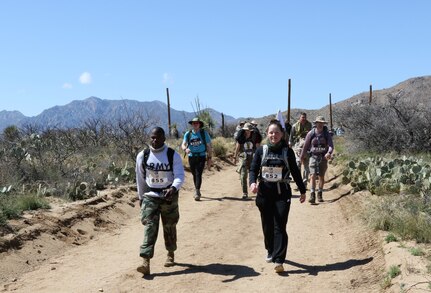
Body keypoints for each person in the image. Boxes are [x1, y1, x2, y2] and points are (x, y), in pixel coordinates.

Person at [249, 120, 306, 274]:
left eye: (277, 132)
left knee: (280, 225)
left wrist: (302, 190)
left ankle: (279, 259)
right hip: (264, 193)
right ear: (267, 134)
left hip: (282, 193)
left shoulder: (287, 152)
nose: (274, 135)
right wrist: (252, 182)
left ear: (282, 134)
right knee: (267, 224)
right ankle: (270, 249)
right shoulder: (261, 150)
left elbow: (295, 171)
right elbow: (253, 169)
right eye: (271, 132)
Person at [135, 126, 185, 275]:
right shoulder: (143, 156)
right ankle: (145, 261)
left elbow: (179, 175)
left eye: (157, 137)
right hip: (150, 196)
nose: (154, 140)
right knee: (150, 227)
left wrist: (173, 188)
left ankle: (170, 252)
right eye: (152, 137)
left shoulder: (172, 155)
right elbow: (140, 178)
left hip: (168, 195)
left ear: (164, 138)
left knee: (169, 226)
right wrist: (141, 196)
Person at [300, 116, 334, 204]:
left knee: (321, 176)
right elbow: (306, 146)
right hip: (313, 157)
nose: (320, 124)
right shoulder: (311, 133)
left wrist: (329, 153)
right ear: (315, 123)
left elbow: (331, 145)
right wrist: (302, 157)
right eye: (318, 123)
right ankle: (312, 194)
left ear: (324, 124)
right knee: (312, 175)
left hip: (323, 157)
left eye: (322, 123)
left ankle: (320, 192)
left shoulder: (326, 134)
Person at [181, 117, 212, 201]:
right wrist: (185, 149)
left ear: (199, 124)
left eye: (197, 123)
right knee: (194, 174)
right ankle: (197, 189)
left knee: (198, 173)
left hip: (201, 156)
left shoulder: (204, 133)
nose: (195, 124)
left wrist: (209, 157)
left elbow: (209, 146)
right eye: (194, 123)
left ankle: (197, 191)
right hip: (191, 156)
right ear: (192, 124)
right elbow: (183, 144)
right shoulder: (188, 134)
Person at [233, 122, 258, 199]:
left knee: (253, 174)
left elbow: (257, 148)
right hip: (243, 158)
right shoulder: (241, 138)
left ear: (251, 131)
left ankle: (254, 188)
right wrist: (235, 157)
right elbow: (237, 147)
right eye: (246, 130)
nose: (247, 131)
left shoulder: (254, 138)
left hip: (252, 158)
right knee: (243, 176)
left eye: (248, 130)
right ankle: (245, 193)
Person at [289, 113, 313, 188]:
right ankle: (298, 183)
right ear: (299, 118)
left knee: (306, 166)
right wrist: (290, 145)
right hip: (297, 147)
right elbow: (291, 137)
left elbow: (312, 136)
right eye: (302, 117)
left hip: (307, 147)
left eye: (305, 117)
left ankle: (304, 183)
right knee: (297, 165)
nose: (303, 119)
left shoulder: (310, 125)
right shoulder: (294, 126)